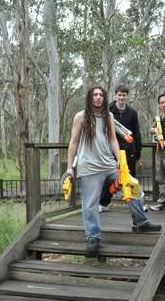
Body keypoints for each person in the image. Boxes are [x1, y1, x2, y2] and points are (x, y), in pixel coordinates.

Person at [66, 86, 160, 256]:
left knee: (133, 185)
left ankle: (140, 222)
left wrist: (119, 161)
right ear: (90, 97)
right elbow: (73, 142)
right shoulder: (80, 117)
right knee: (90, 204)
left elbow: (112, 140)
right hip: (90, 167)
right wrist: (69, 167)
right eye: (94, 94)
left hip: (109, 164)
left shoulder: (108, 116)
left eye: (100, 95)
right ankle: (92, 237)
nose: (98, 98)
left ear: (104, 98)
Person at [99, 84, 142, 213]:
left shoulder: (132, 113)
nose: (122, 97)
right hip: (111, 151)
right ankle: (103, 203)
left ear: (127, 96)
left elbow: (136, 133)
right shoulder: (108, 110)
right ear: (115, 95)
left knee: (131, 178)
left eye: (124, 95)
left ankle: (135, 206)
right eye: (119, 95)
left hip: (128, 152)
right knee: (109, 179)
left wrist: (137, 154)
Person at [149, 94, 165, 215]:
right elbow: (151, 130)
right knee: (160, 177)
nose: (163, 104)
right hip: (159, 152)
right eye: (161, 102)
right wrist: (153, 130)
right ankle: (164, 201)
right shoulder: (158, 118)